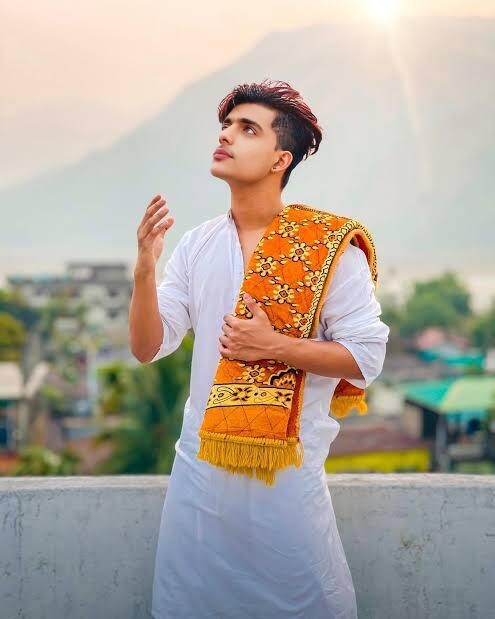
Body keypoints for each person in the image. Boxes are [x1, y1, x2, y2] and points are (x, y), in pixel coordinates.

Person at [129, 79, 390, 618]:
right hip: (200, 482)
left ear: (280, 159)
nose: (226, 135)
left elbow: (366, 357)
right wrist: (144, 272)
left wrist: (275, 346)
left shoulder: (328, 248)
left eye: (248, 129)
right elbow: (148, 346)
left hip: (286, 486)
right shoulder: (197, 245)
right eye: (226, 125)